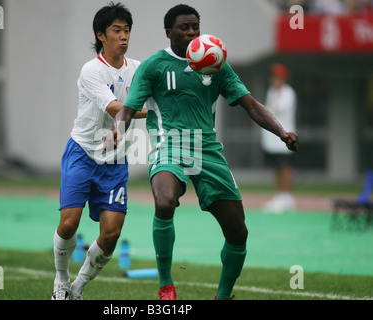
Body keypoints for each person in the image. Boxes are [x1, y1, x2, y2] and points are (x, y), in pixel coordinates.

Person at [109, 4, 298, 300]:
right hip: (167, 145)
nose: (191, 32)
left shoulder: (215, 62)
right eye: (184, 28)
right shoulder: (154, 66)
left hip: (207, 149)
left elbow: (250, 104)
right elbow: (129, 109)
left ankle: (222, 296)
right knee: (164, 202)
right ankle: (166, 285)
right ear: (169, 32)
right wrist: (117, 131)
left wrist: (282, 132)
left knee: (238, 232)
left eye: (195, 26)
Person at [52, 2, 146, 300]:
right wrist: (149, 113)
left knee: (111, 234)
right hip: (82, 152)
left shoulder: (138, 69)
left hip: (115, 161)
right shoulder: (91, 70)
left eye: (127, 30)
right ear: (101, 35)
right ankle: (61, 280)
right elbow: (116, 107)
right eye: (117, 30)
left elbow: (149, 102)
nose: (124, 36)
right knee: (69, 224)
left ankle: (76, 289)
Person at [261, 63, 297, 214]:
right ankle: (279, 195)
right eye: (273, 77)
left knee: (285, 167)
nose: (274, 80)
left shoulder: (288, 93)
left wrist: (276, 93)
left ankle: (287, 196)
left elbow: (277, 109)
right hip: (272, 140)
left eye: (277, 77)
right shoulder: (271, 91)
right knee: (276, 167)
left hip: (285, 140)